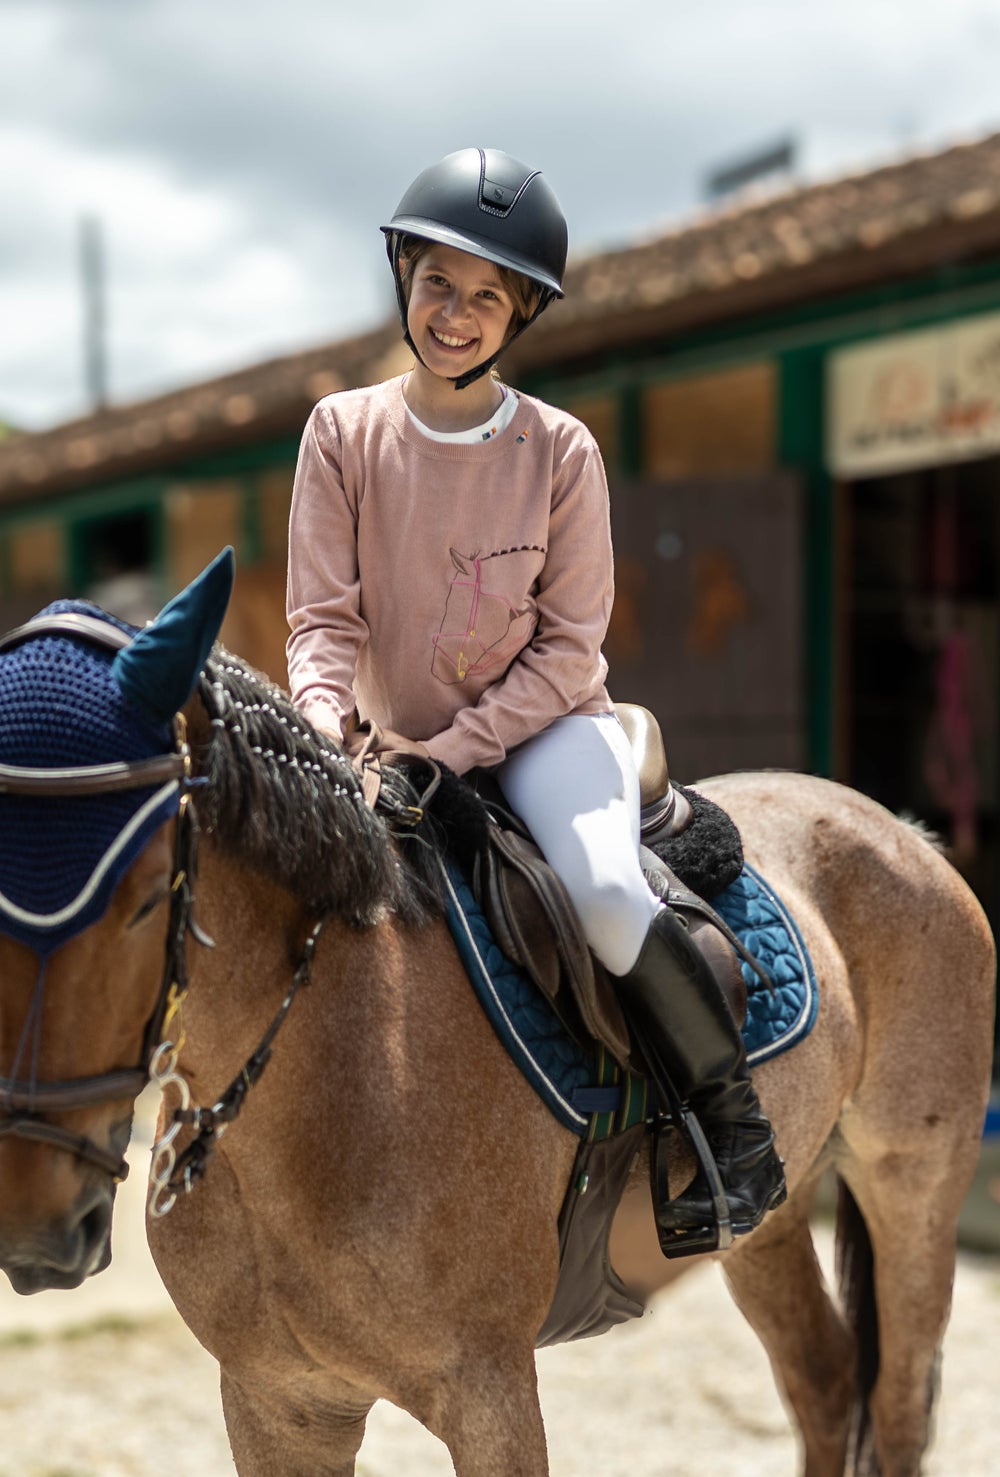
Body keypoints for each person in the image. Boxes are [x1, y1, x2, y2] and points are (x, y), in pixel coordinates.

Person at [285, 147, 785, 1252]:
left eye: (483, 297)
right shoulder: (340, 435)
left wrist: (451, 750)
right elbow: (322, 624)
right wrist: (324, 725)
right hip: (381, 743)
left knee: (605, 892)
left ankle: (727, 1127)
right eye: (435, 284)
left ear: (517, 316)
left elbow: (567, 648)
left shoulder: (560, 450)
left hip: (542, 730)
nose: (452, 315)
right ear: (402, 279)